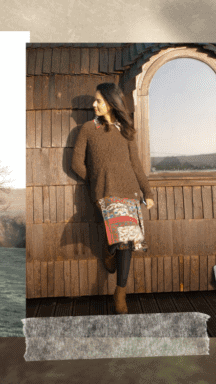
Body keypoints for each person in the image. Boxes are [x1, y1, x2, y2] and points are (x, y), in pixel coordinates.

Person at [71, 82, 155, 314]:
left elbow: (135, 164)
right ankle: (109, 251)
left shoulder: (125, 131)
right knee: (119, 241)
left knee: (126, 243)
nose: (93, 105)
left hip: (129, 193)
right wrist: (96, 179)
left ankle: (120, 292)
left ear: (111, 102)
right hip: (105, 194)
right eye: (94, 100)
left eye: (98, 100)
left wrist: (147, 192)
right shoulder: (88, 129)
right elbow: (76, 163)